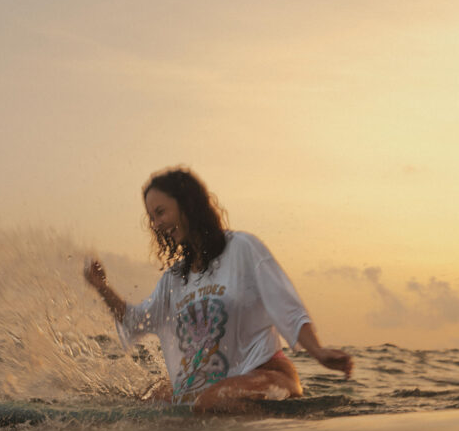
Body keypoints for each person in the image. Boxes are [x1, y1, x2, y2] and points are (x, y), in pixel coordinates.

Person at [84, 167, 353, 413]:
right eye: (151, 217)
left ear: (188, 206)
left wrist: (318, 352)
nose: (156, 224)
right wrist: (102, 288)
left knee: (210, 402)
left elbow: (286, 306)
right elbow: (137, 321)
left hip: (270, 377)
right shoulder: (174, 278)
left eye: (161, 212)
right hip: (213, 387)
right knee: (148, 399)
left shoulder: (243, 248)